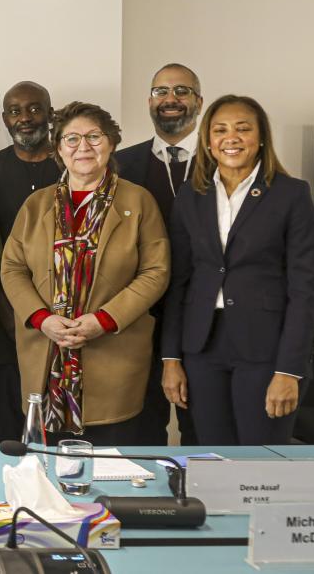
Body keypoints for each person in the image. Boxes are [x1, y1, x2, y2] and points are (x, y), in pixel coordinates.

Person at [0, 101, 169, 445]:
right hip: (45, 358)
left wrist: (104, 320)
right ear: (58, 149)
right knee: (47, 477)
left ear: (111, 143)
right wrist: (42, 318)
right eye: (72, 139)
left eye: (94, 137)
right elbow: (12, 268)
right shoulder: (37, 205)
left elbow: (155, 272)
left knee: (111, 474)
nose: (84, 147)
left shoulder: (138, 201)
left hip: (114, 359)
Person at [161, 96, 314, 445]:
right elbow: (179, 282)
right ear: (208, 141)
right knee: (212, 459)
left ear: (261, 137)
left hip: (266, 348)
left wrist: (288, 369)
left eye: (243, 129)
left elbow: (305, 289)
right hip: (202, 348)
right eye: (220, 130)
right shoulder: (191, 195)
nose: (231, 138)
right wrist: (171, 358)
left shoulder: (291, 195)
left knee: (260, 462)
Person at [115, 63, 205, 445]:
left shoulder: (225, 160)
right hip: (139, 318)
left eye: (182, 91)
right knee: (140, 432)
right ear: (149, 101)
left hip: (205, 319)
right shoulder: (121, 164)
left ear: (199, 102)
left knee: (203, 431)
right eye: (161, 92)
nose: (171, 100)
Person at [0, 81, 60, 445]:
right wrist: (9, 313)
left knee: (66, 423)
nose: (25, 118)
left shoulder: (71, 166)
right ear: (5, 119)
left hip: (68, 318)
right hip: (6, 319)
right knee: (12, 423)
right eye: (15, 111)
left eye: (35, 109)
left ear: (51, 114)